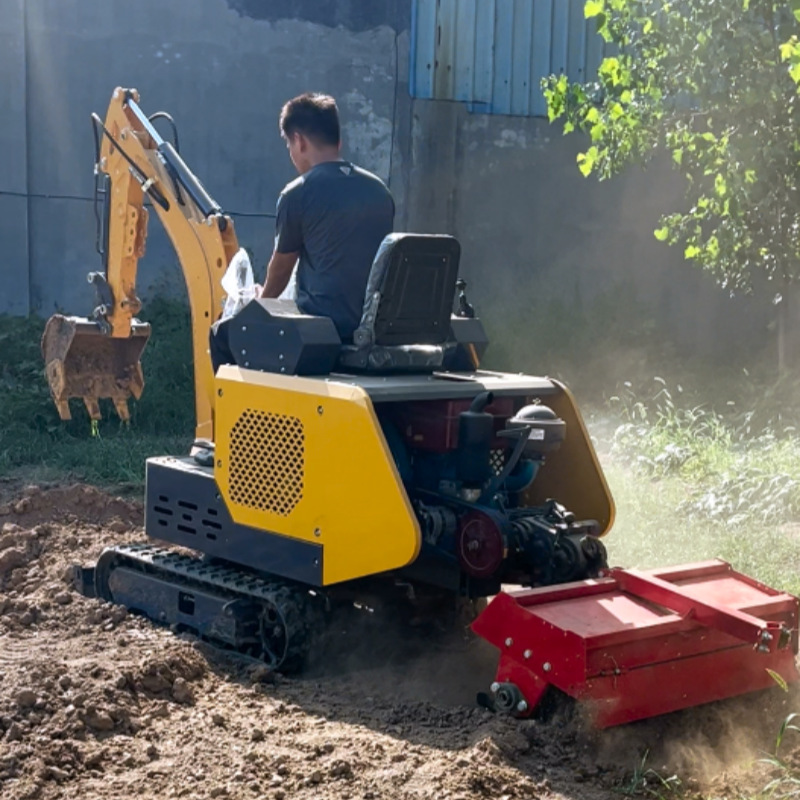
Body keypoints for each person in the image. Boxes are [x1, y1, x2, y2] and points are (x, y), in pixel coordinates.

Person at [210, 92, 395, 370]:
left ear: (299, 140)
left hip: (321, 331)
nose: (291, 154)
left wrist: (258, 305)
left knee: (222, 334)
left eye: (288, 145)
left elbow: (282, 270)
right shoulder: (380, 193)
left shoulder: (298, 193)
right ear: (338, 141)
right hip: (372, 329)